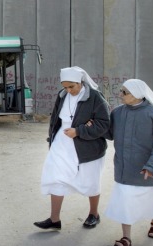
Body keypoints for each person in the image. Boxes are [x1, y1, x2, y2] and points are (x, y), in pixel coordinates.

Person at [34, 66, 110, 230]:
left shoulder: (95, 97)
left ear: (80, 82)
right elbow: (55, 119)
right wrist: (52, 138)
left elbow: (104, 123)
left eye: (71, 86)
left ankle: (94, 214)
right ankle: (54, 219)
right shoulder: (62, 96)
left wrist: (80, 131)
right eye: (65, 87)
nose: (68, 90)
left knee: (90, 180)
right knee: (55, 176)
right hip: (62, 143)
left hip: (87, 146)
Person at [104, 79, 153, 246]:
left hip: (148, 169)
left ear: (137, 94)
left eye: (124, 92)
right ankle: (126, 237)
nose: (120, 95)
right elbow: (109, 133)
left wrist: (152, 166)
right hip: (124, 168)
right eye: (121, 91)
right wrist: (93, 124)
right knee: (125, 202)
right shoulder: (118, 113)